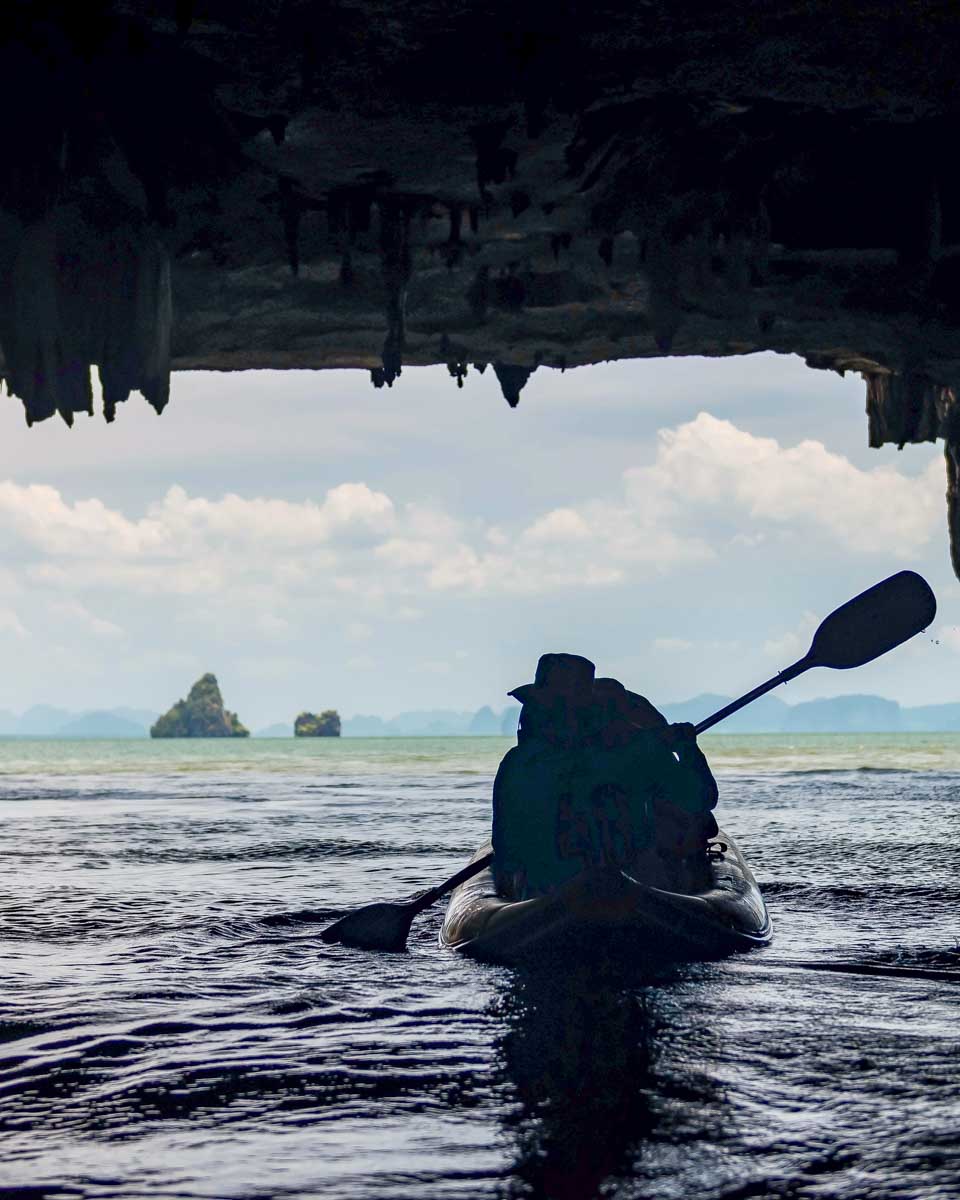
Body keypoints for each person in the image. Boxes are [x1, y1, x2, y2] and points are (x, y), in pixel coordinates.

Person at [491, 653, 719, 899]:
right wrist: (687, 748)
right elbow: (700, 799)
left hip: (543, 894)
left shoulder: (517, 762)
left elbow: (506, 852)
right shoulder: (639, 751)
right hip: (637, 890)